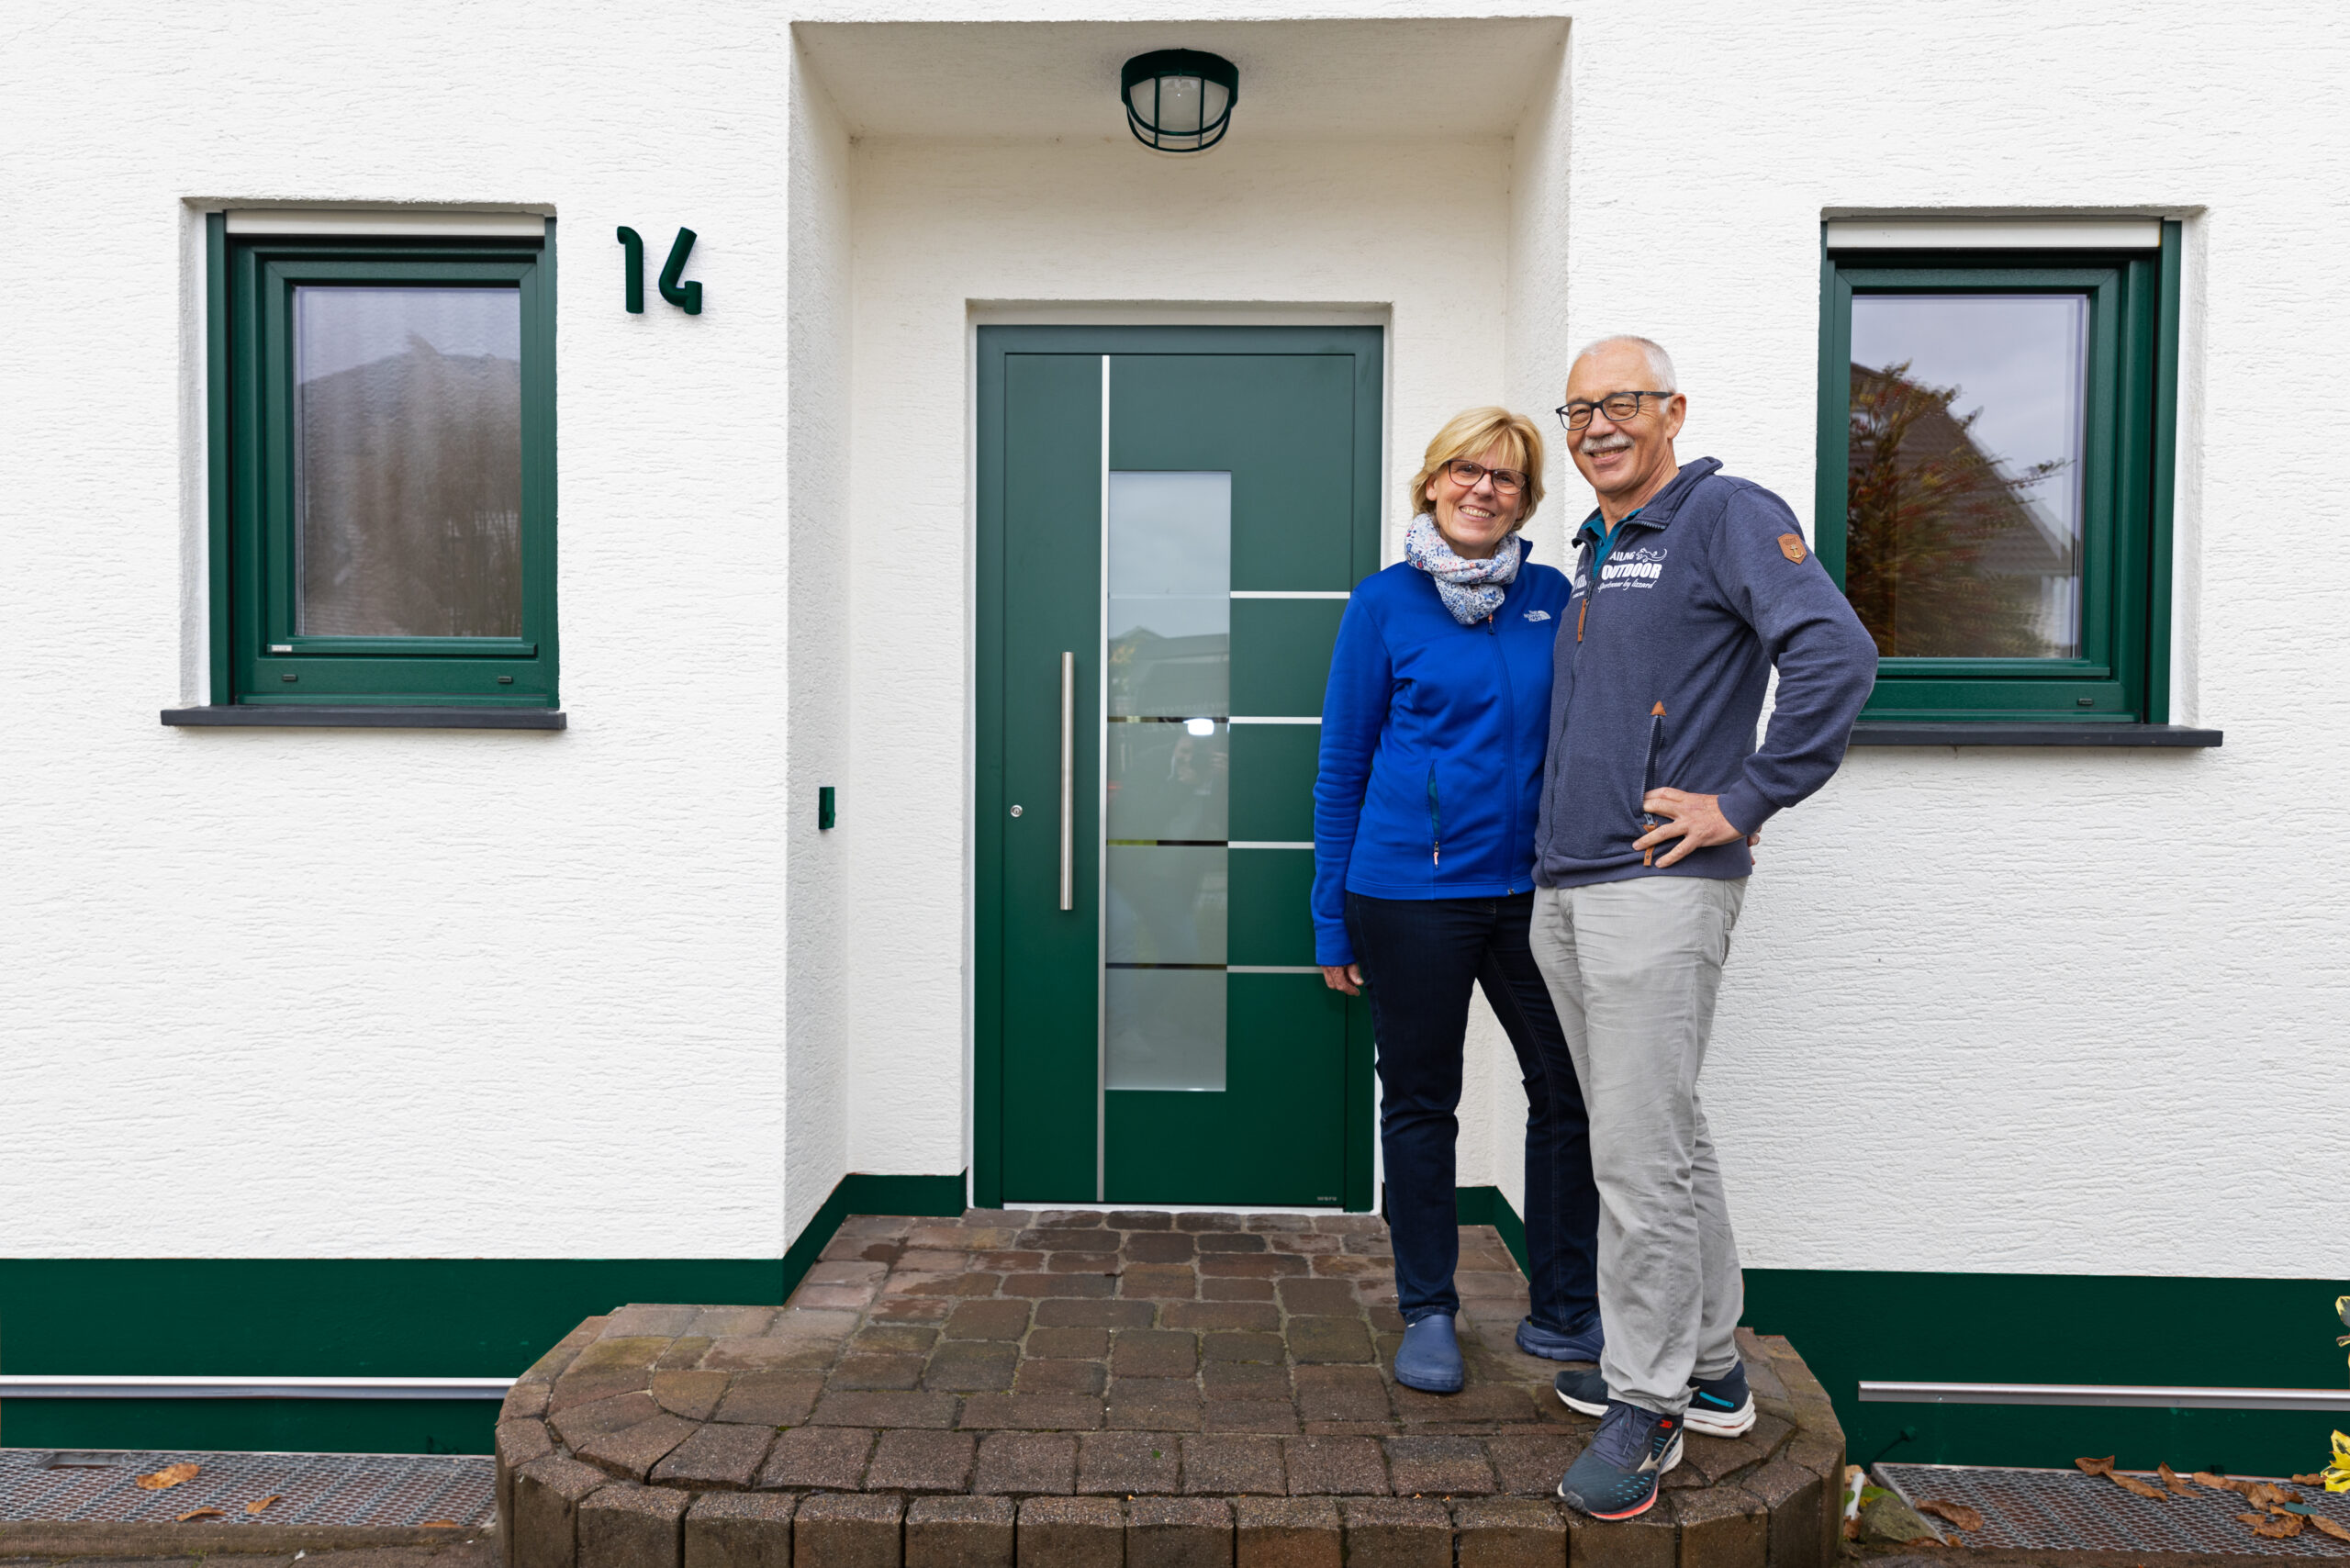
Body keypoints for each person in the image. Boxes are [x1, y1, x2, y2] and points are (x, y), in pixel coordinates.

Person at [1531, 338, 1877, 1518]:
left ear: (1673, 408)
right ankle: (1715, 1367)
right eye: (1578, 409)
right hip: (1571, 884)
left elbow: (1836, 649)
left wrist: (1748, 794)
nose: (1596, 426)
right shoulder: (1595, 547)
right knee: (1663, 1133)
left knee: (1634, 1158)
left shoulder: (1721, 511)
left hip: (1653, 889)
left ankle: (1648, 1403)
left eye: (1621, 402)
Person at [1314, 407, 1605, 1395]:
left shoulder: (1554, 596)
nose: (1486, 490)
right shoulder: (1383, 604)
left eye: (1508, 479)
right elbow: (1342, 763)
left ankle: (1565, 1308)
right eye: (1467, 471)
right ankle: (1427, 1309)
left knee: (1566, 1095)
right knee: (1421, 1101)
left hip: (1533, 891)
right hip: (1406, 893)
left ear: (1526, 498)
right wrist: (1328, 916)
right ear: (1432, 482)